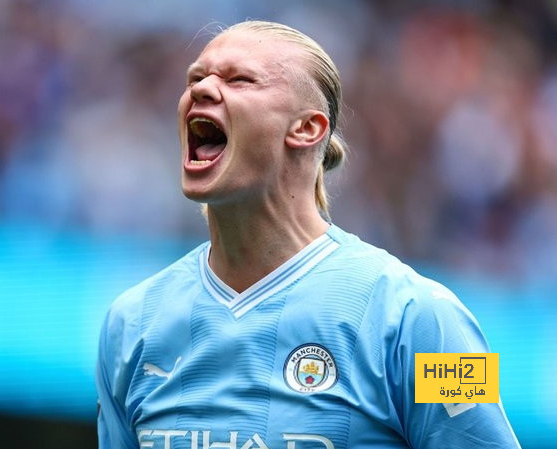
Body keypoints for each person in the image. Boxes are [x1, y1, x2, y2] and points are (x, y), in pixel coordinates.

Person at [96, 20, 521, 449]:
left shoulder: (427, 317)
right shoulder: (130, 323)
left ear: (306, 128)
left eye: (239, 79)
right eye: (196, 78)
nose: (202, 89)